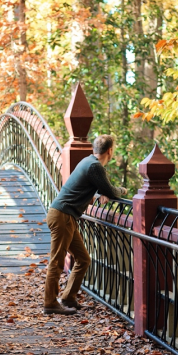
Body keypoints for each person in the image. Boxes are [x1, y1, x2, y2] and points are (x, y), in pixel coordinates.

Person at [44, 134, 127, 315]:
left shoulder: (87, 161)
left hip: (65, 216)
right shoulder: (95, 167)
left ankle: (68, 297)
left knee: (83, 259)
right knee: (57, 262)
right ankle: (50, 303)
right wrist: (121, 191)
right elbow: (112, 190)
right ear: (110, 151)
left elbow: (91, 187)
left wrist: (101, 193)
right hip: (63, 216)